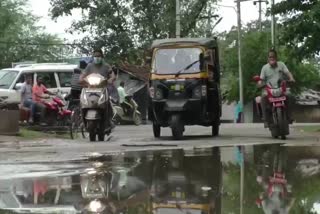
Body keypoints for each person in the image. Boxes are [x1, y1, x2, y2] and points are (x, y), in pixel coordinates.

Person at [259, 49, 295, 127]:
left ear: (276, 57)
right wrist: (259, 84)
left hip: (281, 88)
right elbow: (261, 79)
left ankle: (290, 116)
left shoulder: (281, 64)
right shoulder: (264, 68)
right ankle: (266, 120)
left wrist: (291, 78)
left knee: (290, 96)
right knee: (263, 98)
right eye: (270, 57)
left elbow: (288, 72)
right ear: (268, 58)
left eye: (273, 56)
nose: (272, 58)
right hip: (269, 89)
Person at [80, 48, 115, 127]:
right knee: (83, 102)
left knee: (108, 102)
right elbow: (83, 74)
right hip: (90, 88)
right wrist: (81, 79)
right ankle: (82, 120)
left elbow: (112, 74)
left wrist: (111, 79)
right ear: (93, 57)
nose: (97, 57)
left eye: (99, 56)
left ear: (102, 57)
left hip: (102, 88)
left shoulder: (106, 66)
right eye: (95, 56)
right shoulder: (89, 66)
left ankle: (109, 119)